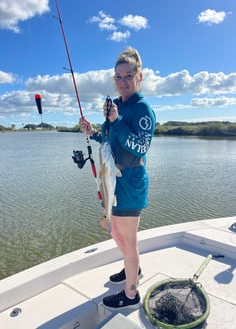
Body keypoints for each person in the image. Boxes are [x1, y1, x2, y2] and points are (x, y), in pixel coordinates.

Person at [80, 47, 156, 310]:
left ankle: (131, 294)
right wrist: (94, 132)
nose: (122, 82)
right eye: (118, 77)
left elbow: (141, 147)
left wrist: (117, 121)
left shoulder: (142, 109)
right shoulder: (116, 106)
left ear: (139, 76)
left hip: (131, 183)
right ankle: (132, 268)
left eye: (128, 76)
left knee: (128, 239)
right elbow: (110, 143)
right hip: (113, 179)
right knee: (115, 233)